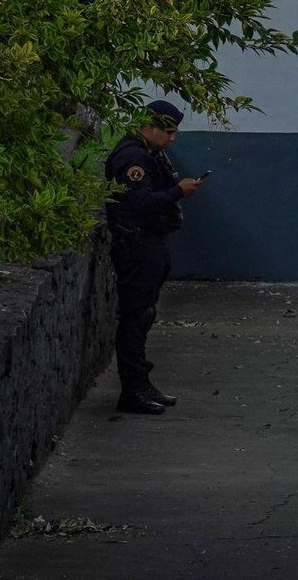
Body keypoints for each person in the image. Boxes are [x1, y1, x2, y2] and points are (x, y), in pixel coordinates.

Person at [105, 99, 204, 415]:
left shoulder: (149, 153)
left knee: (144, 315)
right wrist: (178, 192)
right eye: (168, 132)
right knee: (135, 319)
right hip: (136, 245)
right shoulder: (132, 158)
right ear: (148, 127)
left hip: (149, 243)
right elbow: (140, 202)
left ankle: (141, 383)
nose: (172, 139)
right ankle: (132, 389)